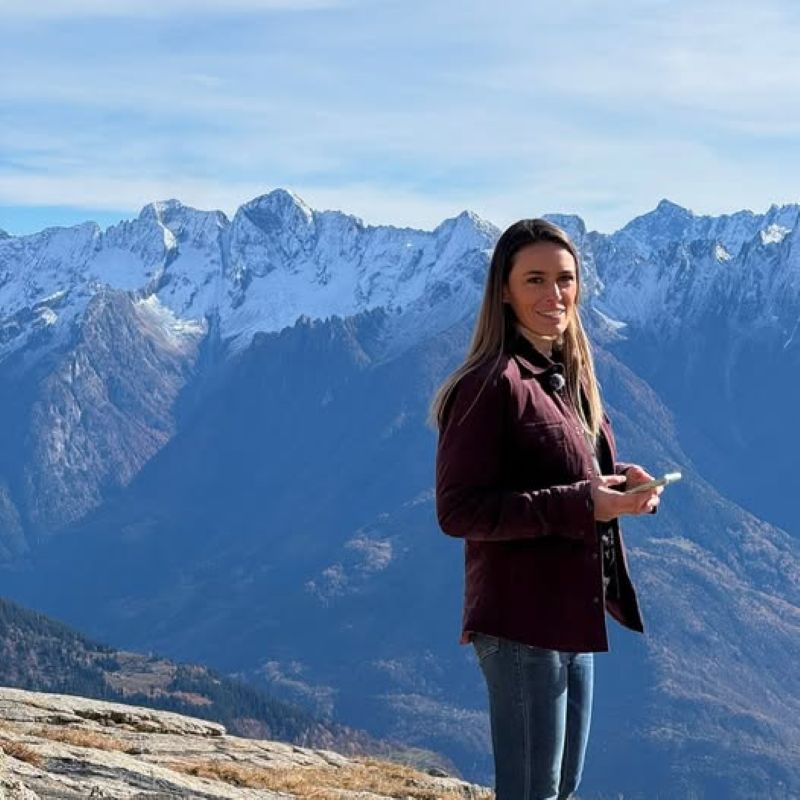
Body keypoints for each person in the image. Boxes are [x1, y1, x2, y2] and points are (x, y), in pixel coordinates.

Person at [432, 218, 662, 800]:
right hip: (519, 621)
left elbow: (561, 475)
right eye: (534, 279)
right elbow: (458, 511)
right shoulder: (489, 384)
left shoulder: (569, 380)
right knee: (532, 790)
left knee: (561, 788)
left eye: (564, 279)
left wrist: (620, 484)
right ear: (503, 290)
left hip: (571, 614)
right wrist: (585, 503)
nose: (553, 294)